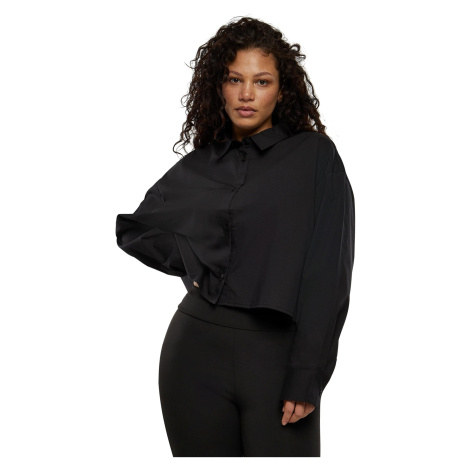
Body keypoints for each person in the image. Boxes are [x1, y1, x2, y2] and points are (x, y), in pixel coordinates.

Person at [115, 16, 355, 457]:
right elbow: (136, 227)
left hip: (278, 360)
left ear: (281, 90)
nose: (247, 94)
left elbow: (328, 273)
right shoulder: (202, 163)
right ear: (219, 87)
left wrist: (308, 376)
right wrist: (191, 261)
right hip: (194, 354)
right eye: (234, 79)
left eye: (261, 81)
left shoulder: (313, 156)